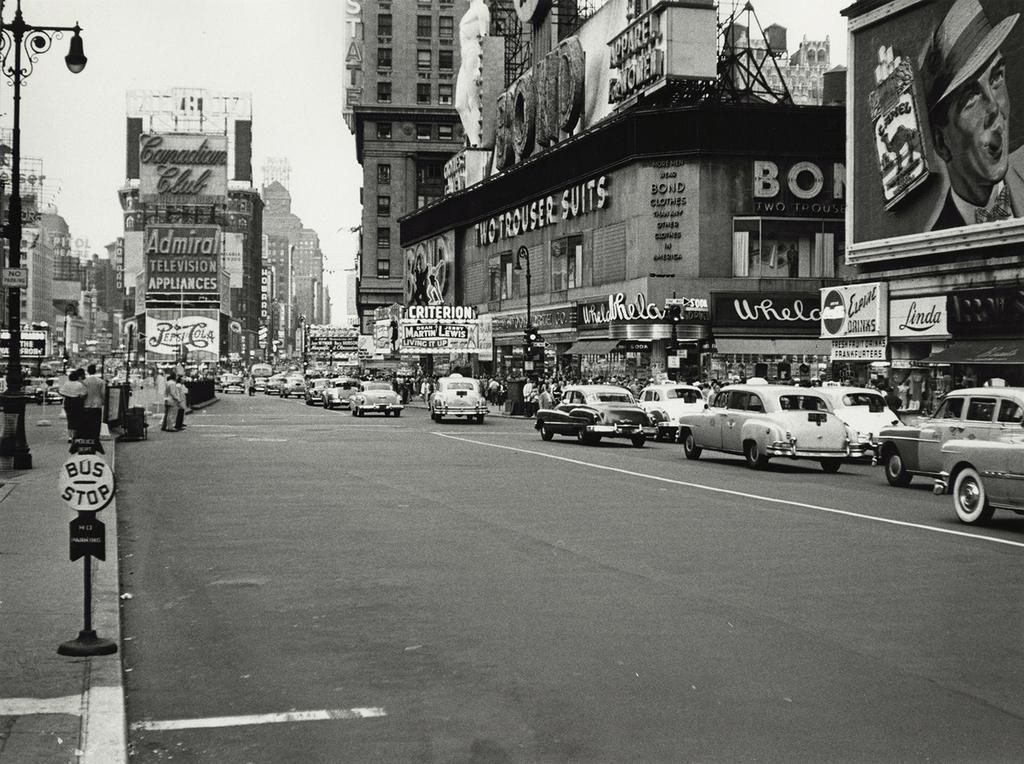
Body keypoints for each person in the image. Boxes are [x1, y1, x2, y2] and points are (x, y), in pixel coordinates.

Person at [922, 0, 1024, 229]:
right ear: (941, 142)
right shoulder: (937, 236)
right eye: (970, 98)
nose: (994, 107)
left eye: (996, 78)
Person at [59, 369, 87, 443]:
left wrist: (68, 394)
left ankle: (70, 437)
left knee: (70, 419)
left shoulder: (66, 384)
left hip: (68, 402)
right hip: (77, 402)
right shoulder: (79, 384)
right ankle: (75, 435)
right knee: (77, 419)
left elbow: (61, 393)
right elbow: (83, 394)